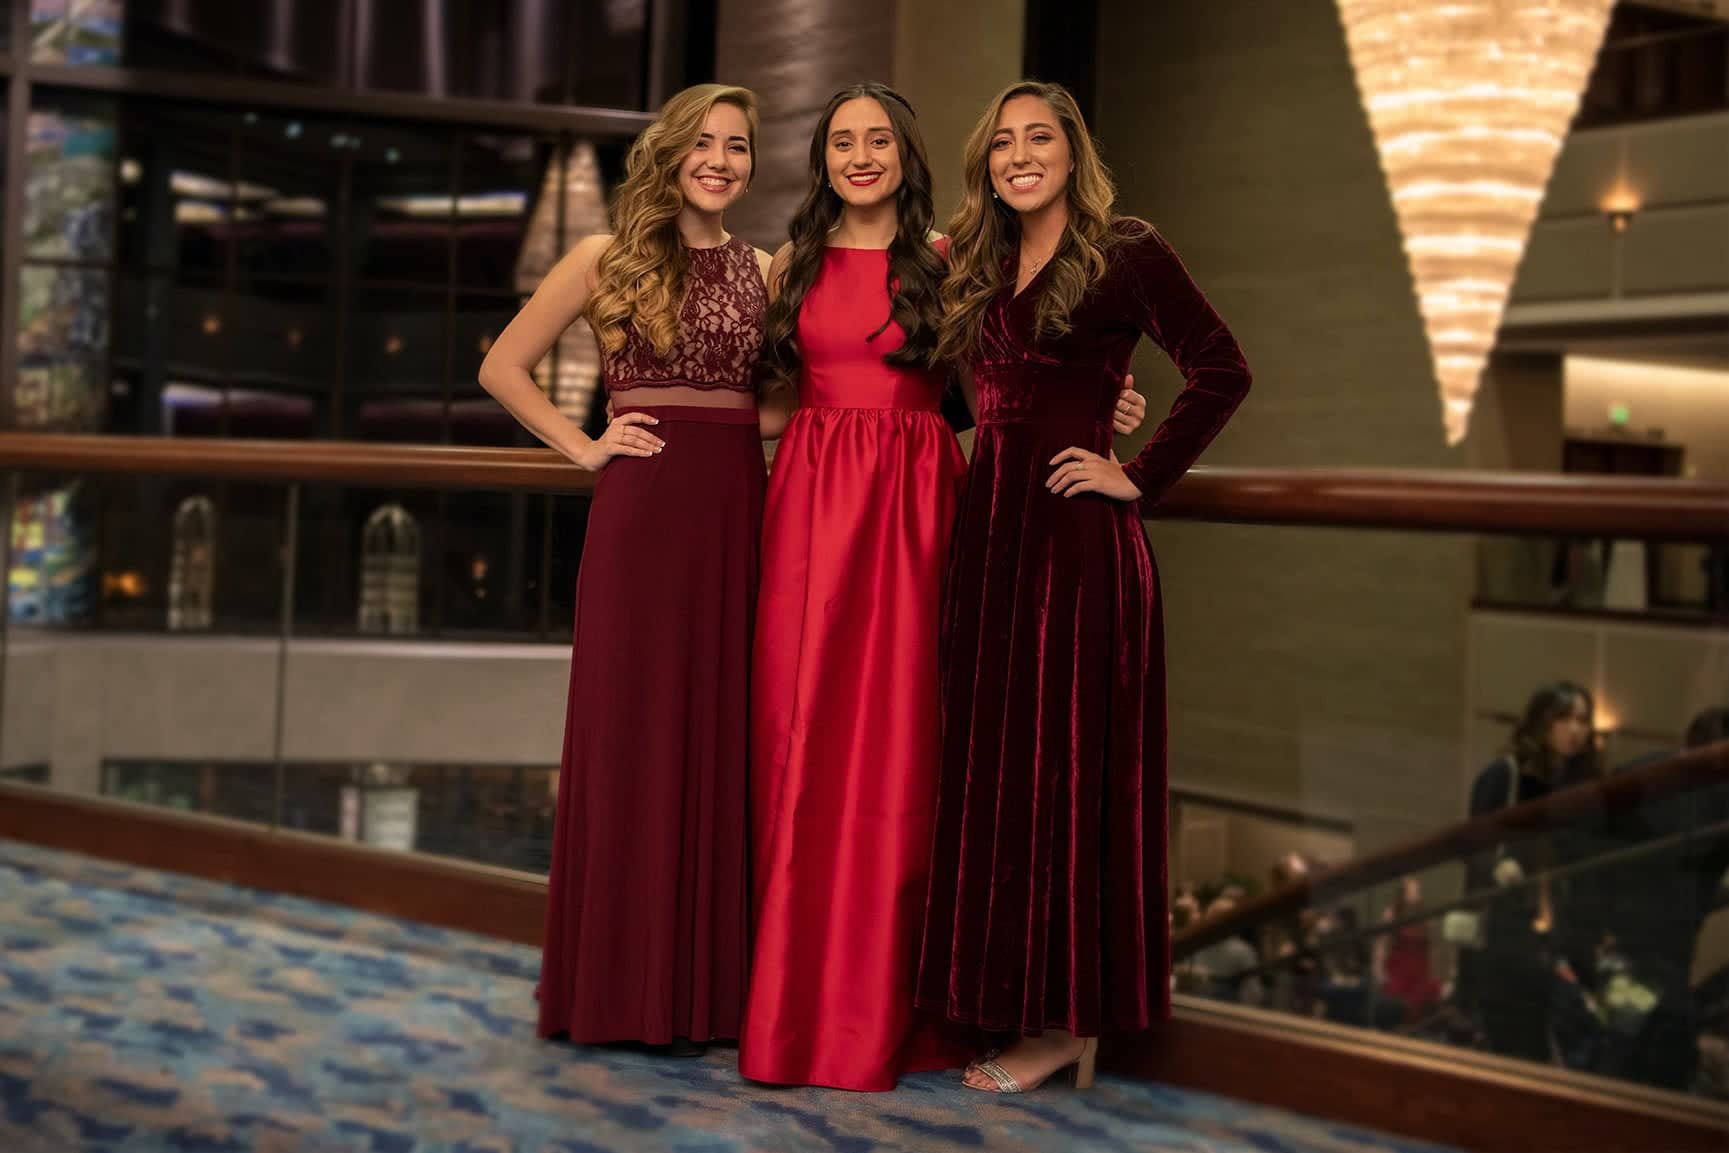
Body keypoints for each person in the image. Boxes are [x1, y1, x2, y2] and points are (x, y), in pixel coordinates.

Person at [742, 81, 1149, 1092]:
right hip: (809, 507)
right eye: (843, 141)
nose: (861, 155)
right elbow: (754, 396)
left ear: (905, 155)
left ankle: (892, 1008)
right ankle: (790, 1000)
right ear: (823, 159)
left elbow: (1010, 378)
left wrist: (1103, 399)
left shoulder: (946, 262)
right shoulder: (788, 264)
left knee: (907, 748)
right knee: (796, 740)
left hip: (919, 504)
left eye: (879, 138)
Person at [916, 80, 1252, 1094]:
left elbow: (1221, 370)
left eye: (1040, 138)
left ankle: (1062, 1022)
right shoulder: (970, 262)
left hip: (1076, 546)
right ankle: (1002, 997)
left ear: (1072, 153)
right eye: (1003, 142)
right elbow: (950, 395)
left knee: (1063, 778)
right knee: (992, 776)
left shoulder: (1126, 249)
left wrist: (1136, 471)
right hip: (990, 541)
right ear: (987, 161)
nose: (1021, 154)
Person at [478, 83, 773, 1051]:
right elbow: (503, 365)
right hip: (640, 516)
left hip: (734, 510)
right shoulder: (604, 256)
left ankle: (701, 994)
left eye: (737, 146)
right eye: (705, 142)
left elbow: (810, 397)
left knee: (716, 733)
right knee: (633, 731)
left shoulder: (767, 267)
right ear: (671, 151)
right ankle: (618, 991)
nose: (721, 160)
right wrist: (584, 444)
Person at [1458, 680, 1596, 1064]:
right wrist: (1498, 866)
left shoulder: (1577, 784)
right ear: (1541, 722)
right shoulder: (1506, 775)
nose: (1575, 729)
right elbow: (1472, 846)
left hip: (1551, 937)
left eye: (1583, 720)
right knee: (1510, 1043)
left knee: (1541, 1046)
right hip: (1505, 933)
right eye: (1564, 718)